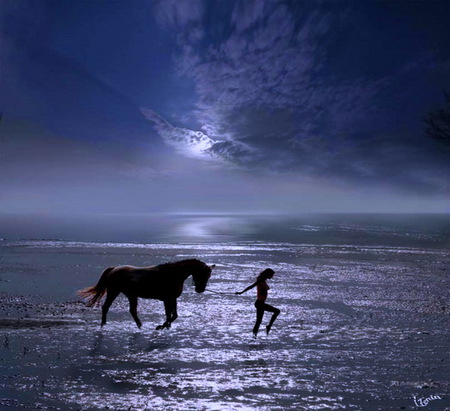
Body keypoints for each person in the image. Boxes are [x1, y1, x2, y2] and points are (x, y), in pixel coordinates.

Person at [236, 268, 280, 338]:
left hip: (260, 303)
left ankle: (254, 336)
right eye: (272, 275)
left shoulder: (263, 281)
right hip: (260, 303)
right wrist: (241, 292)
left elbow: (266, 289)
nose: (272, 276)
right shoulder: (260, 280)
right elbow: (251, 286)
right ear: (268, 274)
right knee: (277, 311)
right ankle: (267, 327)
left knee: (258, 321)